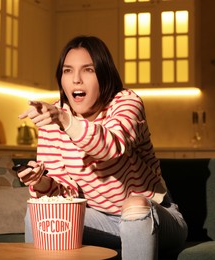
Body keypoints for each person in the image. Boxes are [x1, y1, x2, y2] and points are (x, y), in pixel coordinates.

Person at [17, 35, 187, 260]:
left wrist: (66, 121)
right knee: (39, 212)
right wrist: (41, 181)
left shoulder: (126, 103)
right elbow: (65, 193)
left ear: (104, 74)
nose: (76, 79)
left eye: (88, 69)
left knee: (134, 205)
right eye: (68, 70)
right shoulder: (54, 117)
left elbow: (110, 146)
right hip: (98, 219)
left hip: (152, 217)